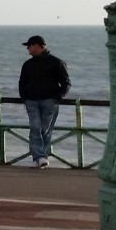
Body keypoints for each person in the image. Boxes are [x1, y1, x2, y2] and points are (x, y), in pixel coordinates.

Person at [18, 34, 71, 169]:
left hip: (49, 101)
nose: (27, 49)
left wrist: (57, 98)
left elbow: (66, 83)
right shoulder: (27, 65)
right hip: (31, 101)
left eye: (29, 46)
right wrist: (24, 98)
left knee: (45, 130)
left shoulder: (56, 62)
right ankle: (39, 156)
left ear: (36, 45)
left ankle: (41, 157)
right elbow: (22, 83)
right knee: (35, 127)